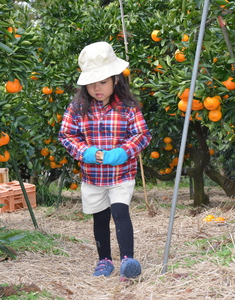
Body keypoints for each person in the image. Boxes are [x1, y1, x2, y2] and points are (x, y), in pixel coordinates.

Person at [58, 41, 152, 281]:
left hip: (121, 174)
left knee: (121, 213)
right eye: (91, 83)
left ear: (115, 79)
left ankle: (128, 260)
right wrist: (85, 151)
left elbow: (142, 135)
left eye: (102, 82)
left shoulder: (128, 107)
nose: (96, 88)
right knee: (100, 218)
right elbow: (67, 135)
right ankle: (104, 260)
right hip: (93, 176)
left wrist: (123, 152)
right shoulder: (78, 107)